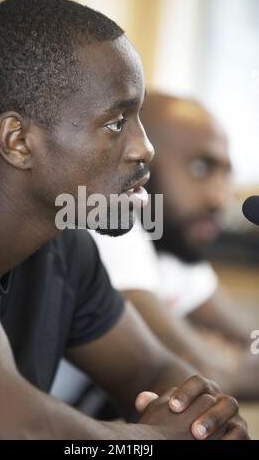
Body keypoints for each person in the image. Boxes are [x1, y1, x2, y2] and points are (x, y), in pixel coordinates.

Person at [0, 0, 248, 440]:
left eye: (139, 119)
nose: (144, 148)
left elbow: (151, 367)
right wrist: (156, 441)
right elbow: (8, 425)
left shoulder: (65, 245)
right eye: (116, 122)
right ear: (18, 141)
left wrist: (204, 418)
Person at [88, 93, 259, 400]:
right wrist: (207, 354)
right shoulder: (108, 225)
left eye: (226, 175)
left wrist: (216, 358)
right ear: (136, 154)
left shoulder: (173, 243)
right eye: (200, 167)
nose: (219, 198)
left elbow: (250, 339)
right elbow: (200, 370)